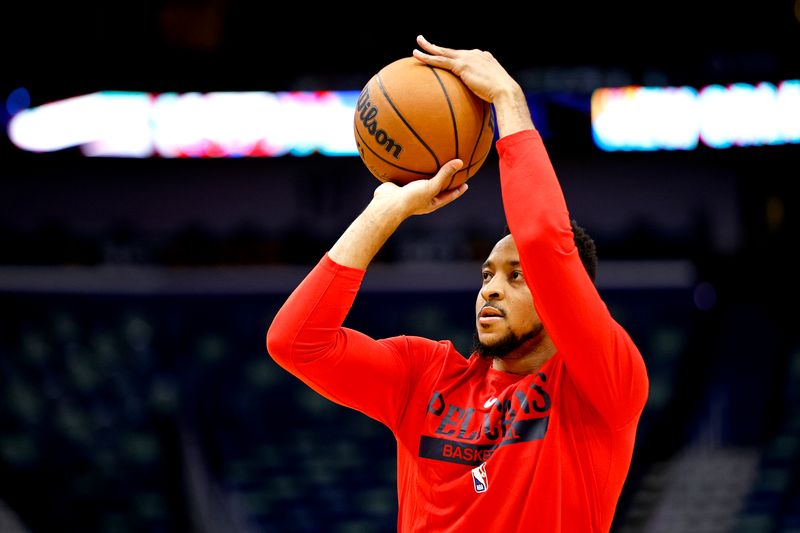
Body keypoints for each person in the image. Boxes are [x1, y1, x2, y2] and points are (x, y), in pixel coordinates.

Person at [266, 35, 649, 532]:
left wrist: (509, 102)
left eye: (517, 276)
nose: (490, 289)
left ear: (565, 297)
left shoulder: (602, 386)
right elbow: (295, 343)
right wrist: (383, 214)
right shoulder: (425, 375)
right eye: (487, 274)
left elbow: (543, 242)